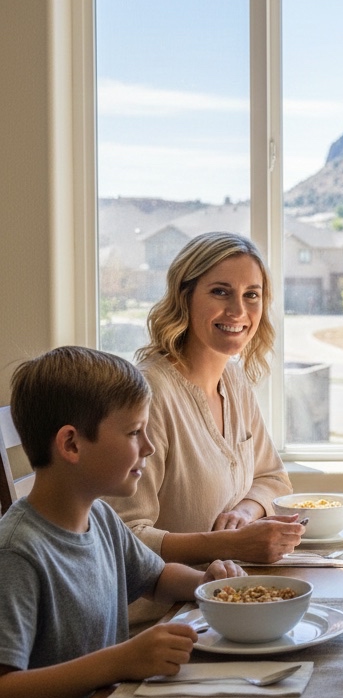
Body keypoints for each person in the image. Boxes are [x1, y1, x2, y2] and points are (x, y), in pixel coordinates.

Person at [0, 346, 245, 698]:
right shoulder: (18, 552)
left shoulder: (102, 518)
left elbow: (154, 577)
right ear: (71, 444)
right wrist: (120, 661)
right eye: (135, 432)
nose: (148, 447)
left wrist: (207, 584)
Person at [106, 232, 302, 620]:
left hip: (225, 599)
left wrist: (246, 513)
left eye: (252, 295)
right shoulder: (149, 396)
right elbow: (123, 537)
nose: (238, 311)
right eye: (220, 292)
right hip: (160, 618)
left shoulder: (235, 381)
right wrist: (227, 544)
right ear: (185, 296)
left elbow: (273, 478)